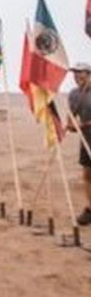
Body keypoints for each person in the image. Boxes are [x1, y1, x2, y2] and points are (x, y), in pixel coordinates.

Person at [66, 62, 91, 226]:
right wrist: (70, 125)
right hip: (86, 140)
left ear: (89, 74)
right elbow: (72, 118)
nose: (77, 76)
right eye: (75, 73)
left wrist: (84, 125)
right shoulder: (74, 94)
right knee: (88, 176)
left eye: (81, 73)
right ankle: (90, 209)